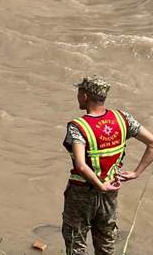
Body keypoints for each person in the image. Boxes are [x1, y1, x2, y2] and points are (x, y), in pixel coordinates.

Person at [62, 76, 153, 255]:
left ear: (85, 95)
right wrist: (136, 173)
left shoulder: (78, 127)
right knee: (106, 242)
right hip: (111, 190)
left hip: (82, 192)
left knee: (76, 243)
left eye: (79, 92)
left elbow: (81, 165)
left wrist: (99, 185)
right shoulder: (123, 118)